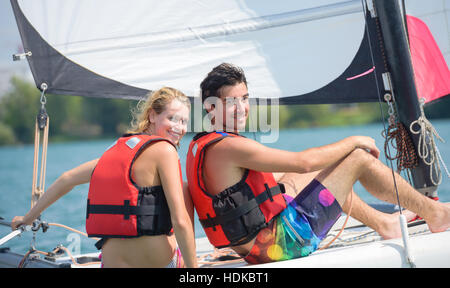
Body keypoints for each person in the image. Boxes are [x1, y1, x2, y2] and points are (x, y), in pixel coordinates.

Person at [186, 63, 450, 265]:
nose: (242, 107)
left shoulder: (202, 145)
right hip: (279, 245)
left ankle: (384, 223)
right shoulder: (231, 146)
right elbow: (304, 162)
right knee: (356, 158)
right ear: (211, 108)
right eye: (232, 102)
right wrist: (353, 141)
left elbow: (294, 170)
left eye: (244, 98)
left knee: (323, 173)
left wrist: (324, 166)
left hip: (256, 246)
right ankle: (435, 214)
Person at [12, 87, 198, 268]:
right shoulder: (165, 150)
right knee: (184, 189)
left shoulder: (119, 151)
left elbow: (67, 178)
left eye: (184, 122)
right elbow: (180, 221)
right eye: (172, 118)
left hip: (112, 263)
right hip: (157, 263)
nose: (179, 128)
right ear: (151, 116)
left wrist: (28, 218)